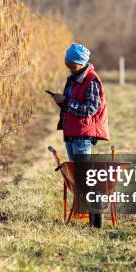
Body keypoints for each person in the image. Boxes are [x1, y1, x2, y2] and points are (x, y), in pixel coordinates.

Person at [51, 43, 110, 227]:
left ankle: (96, 220)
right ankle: (89, 216)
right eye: (67, 64)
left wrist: (66, 102)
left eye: (72, 65)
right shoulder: (74, 77)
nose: (69, 68)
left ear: (81, 63)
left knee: (86, 179)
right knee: (79, 178)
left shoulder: (91, 81)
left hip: (83, 135)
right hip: (71, 133)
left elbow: (90, 109)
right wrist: (61, 101)